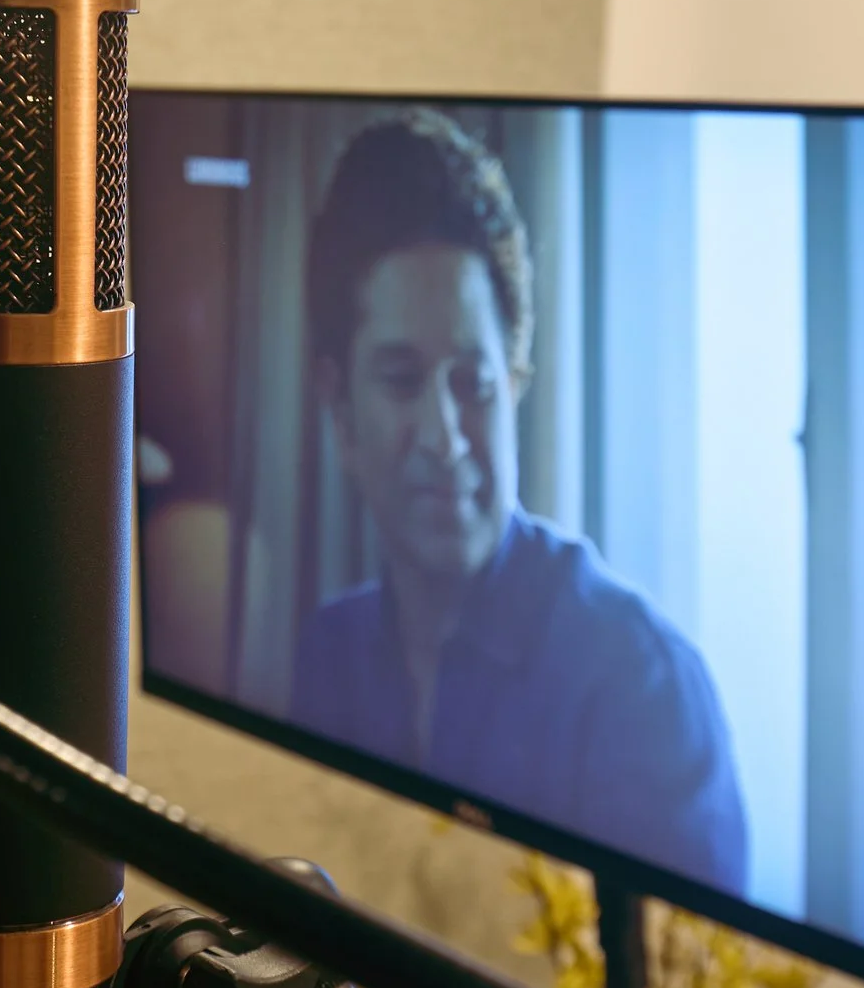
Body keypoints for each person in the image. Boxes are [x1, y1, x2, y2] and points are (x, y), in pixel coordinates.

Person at [290, 109, 748, 895]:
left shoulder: (642, 686)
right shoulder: (329, 653)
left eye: (473, 382)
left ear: (518, 389)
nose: (444, 436)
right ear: (340, 413)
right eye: (402, 380)